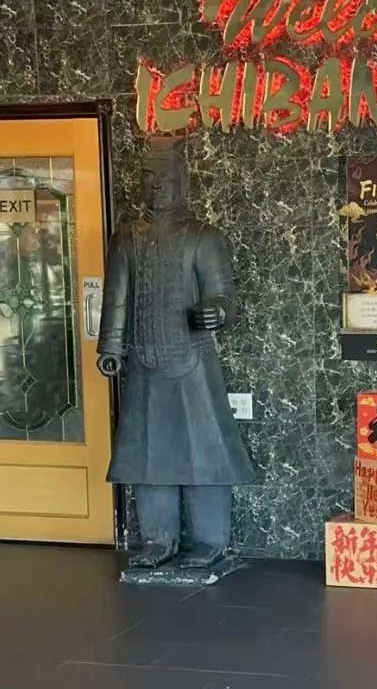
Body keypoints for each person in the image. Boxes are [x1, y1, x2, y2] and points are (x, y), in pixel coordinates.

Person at [97, 136, 254, 569]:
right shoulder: (126, 238)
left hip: (192, 363)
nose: (156, 187)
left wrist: (216, 312)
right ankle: (158, 539)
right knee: (148, 455)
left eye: (165, 178)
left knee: (205, 453)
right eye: (148, 178)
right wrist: (111, 346)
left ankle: (209, 540)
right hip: (144, 363)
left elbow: (225, 296)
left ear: (182, 181)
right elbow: (116, 299)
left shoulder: (203, 237)